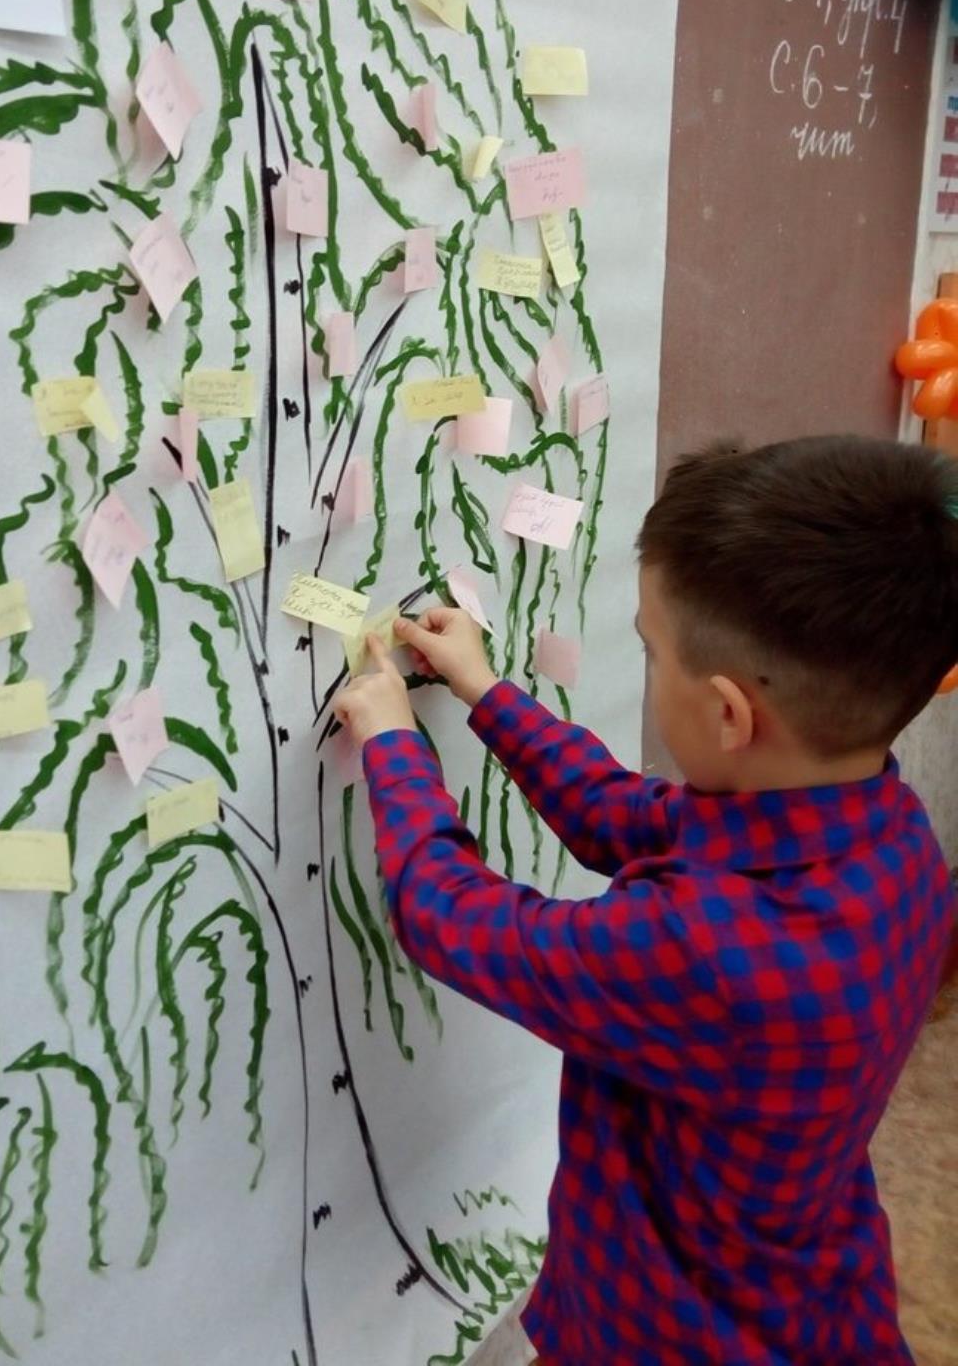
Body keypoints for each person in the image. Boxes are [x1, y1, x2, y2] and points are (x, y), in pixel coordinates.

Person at [333, 434, 957, 1366]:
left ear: (729, 714)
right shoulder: (888, 836)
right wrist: (483, 689)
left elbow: (449, 917)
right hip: (811, 1284)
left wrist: (393, 744)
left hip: (670, 1331)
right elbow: (619, 814)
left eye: (650, 654)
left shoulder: (711, 955)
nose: (647, 668)